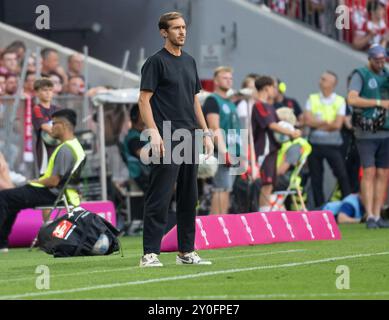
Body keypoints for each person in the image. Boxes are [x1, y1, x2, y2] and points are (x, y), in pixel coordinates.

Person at [138, 11, 214, 267]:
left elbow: (194, 101)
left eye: (183, 27)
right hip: (167, 136)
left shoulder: (190, 61)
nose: (182, 32)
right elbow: (143, 100)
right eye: (176, 28)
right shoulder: (155, 62)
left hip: (190, 136)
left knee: (188, 196)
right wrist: (154, 134)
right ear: (163, 32)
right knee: (159, 196)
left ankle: (186, 251)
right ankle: (149, 253)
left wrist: (205, 131)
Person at [0, 109, 85, 253]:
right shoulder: (76, 146)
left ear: (63, 125)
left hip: (52, 193)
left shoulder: (65, 149)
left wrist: (33, 181)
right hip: (63, 193)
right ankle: (2, 244)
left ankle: (2, 243)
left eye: (54, 123)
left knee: (3, 197)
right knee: (11, 199)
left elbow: (53, 181)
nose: (51, 127)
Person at [347, 44, 389, 229]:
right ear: (370, 59)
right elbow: (352, 99)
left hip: (386, 129)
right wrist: (380, 103)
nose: (381, 64)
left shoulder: (386, 74)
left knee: (383, 173)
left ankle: (378, 213)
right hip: (366, 130)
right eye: (377, 61)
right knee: (369, 171)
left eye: (383, 60)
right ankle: (369, 214)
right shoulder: (361, 74)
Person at [252, 76, 301, 211]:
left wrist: (289, 132)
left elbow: (279, 125)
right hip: (264, 150)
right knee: (265, 185)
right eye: (274, 87)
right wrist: (291, 133)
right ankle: (263, 217)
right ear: (266, 88)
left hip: (273, 150)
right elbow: (272, 125)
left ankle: (266, 214)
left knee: (270, 185)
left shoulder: (270, 106)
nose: (276, 90)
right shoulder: (259, 105)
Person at [304, 71, 351, 208]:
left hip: (333, 145)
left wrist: (317, 123)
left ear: (332, 84)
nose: (320, 81)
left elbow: (337, 125)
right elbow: (307, 120)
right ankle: (320, 207)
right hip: (314, 144)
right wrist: (327, 123)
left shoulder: (339, 100)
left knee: (342, 174)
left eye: (324, 79)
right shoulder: (312, 98)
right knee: (316, 177)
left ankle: (348, 205)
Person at [202, 66, 241, 214]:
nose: (229, 81)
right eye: (225, 78)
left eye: (230, 78)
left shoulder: (231, 103)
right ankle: (214, 228)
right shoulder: (212, 100)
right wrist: (224, 152)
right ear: (216, 81)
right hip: (221, 151)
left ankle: (222, 226)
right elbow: (213, 126)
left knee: (227, 190)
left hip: (233, 151)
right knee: (220, 189)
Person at [32, 78, 60, 174]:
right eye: (44, 90)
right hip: (45, 148)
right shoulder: (37, 109)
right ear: (37, 93)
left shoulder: (57, 109)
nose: (48, 93)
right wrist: (59, 131)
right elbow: (45, 126)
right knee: (47, 174)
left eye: (50, 90)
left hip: (58, 145)